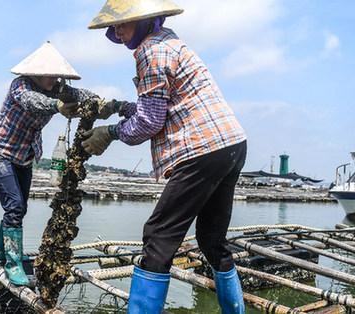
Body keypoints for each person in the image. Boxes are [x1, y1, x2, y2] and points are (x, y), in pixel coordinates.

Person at [83, 1, 248, 313]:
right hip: (230, 144)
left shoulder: (150, 51)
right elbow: (159, 108)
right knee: (212, 239)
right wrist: (118, 106)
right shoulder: (169, 41)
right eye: (115, 25)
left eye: (124, 23)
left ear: (147, 20)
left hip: (201, 148)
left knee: (158, 236)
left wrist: (110, 133)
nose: (118, 30)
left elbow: (147, 123)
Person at [0, 41, 98, 286]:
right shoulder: (20, 85)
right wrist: (58, 105)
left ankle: (3, 252)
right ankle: (13, 263)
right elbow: (32, 102)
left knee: (19, 206)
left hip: (24, 158)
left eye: (57, 74)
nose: (54, 78)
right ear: (36, 71)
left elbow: (84, 95)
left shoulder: (59, 88)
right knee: (14, 205)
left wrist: (103, 103)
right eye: (49, 73)